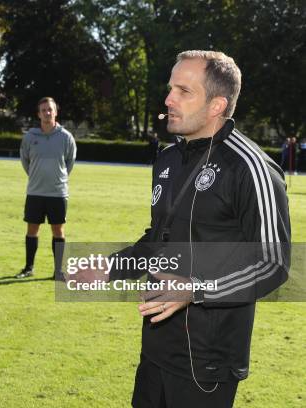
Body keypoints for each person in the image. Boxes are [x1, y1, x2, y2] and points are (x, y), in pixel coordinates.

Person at [89, 51, 290, 407]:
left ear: (216, 105)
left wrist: (196, 290)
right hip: (154, 351)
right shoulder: (168, 158)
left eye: (184, 90)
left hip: (207, 362)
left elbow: (273, 264)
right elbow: (158, 238)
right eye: (170, 88)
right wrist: (111, 267)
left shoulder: (251, 168)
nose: (168, 99)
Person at [16, 97, 76, 280]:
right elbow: (25, 161)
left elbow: (69, 163)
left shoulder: (66, 137)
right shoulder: (30, 137)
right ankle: (28, 267)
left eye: (50, 109)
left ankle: (58, 271)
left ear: (56, 112)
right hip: (35, 191)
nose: (47, 113)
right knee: (32, 230)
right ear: (38, 114)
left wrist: (57, 178)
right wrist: (37, 176)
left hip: (57, 193)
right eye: (43, 110)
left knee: (58, 231)